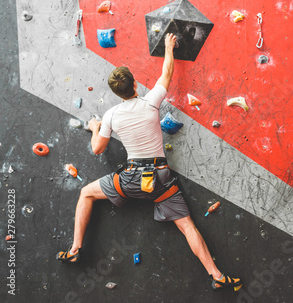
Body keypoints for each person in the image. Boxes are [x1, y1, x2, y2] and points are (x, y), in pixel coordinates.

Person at [56, 33, 242, 292]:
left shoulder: (111, 115)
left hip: (130, 181)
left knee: (86, 193)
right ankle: (217, 275)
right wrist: (168, 47)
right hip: (160, 182)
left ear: (116, 92)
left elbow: (97, 148)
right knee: (187, 226)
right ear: (135, 85)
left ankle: (75, 248)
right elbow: (167, 73)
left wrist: (95, 126)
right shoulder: (150, 102)